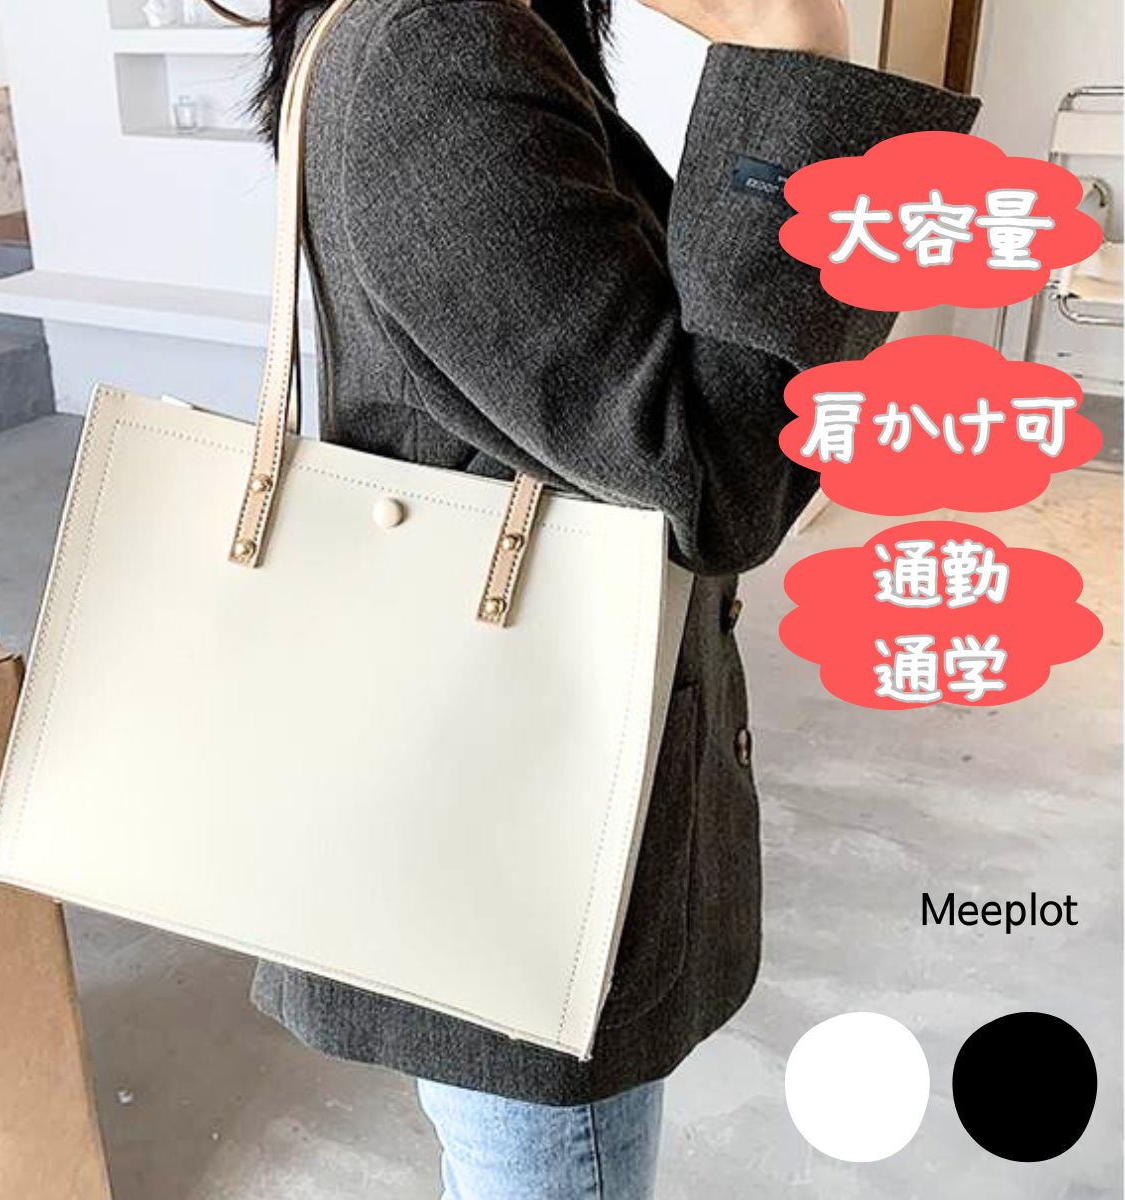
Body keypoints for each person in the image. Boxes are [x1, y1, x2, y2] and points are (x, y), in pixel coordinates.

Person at [248, 0, 980, 1194]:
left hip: (495, 777)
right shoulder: (434, 44)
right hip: (521, 829)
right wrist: (794, 46)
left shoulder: (423, 31)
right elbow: (719, 473)